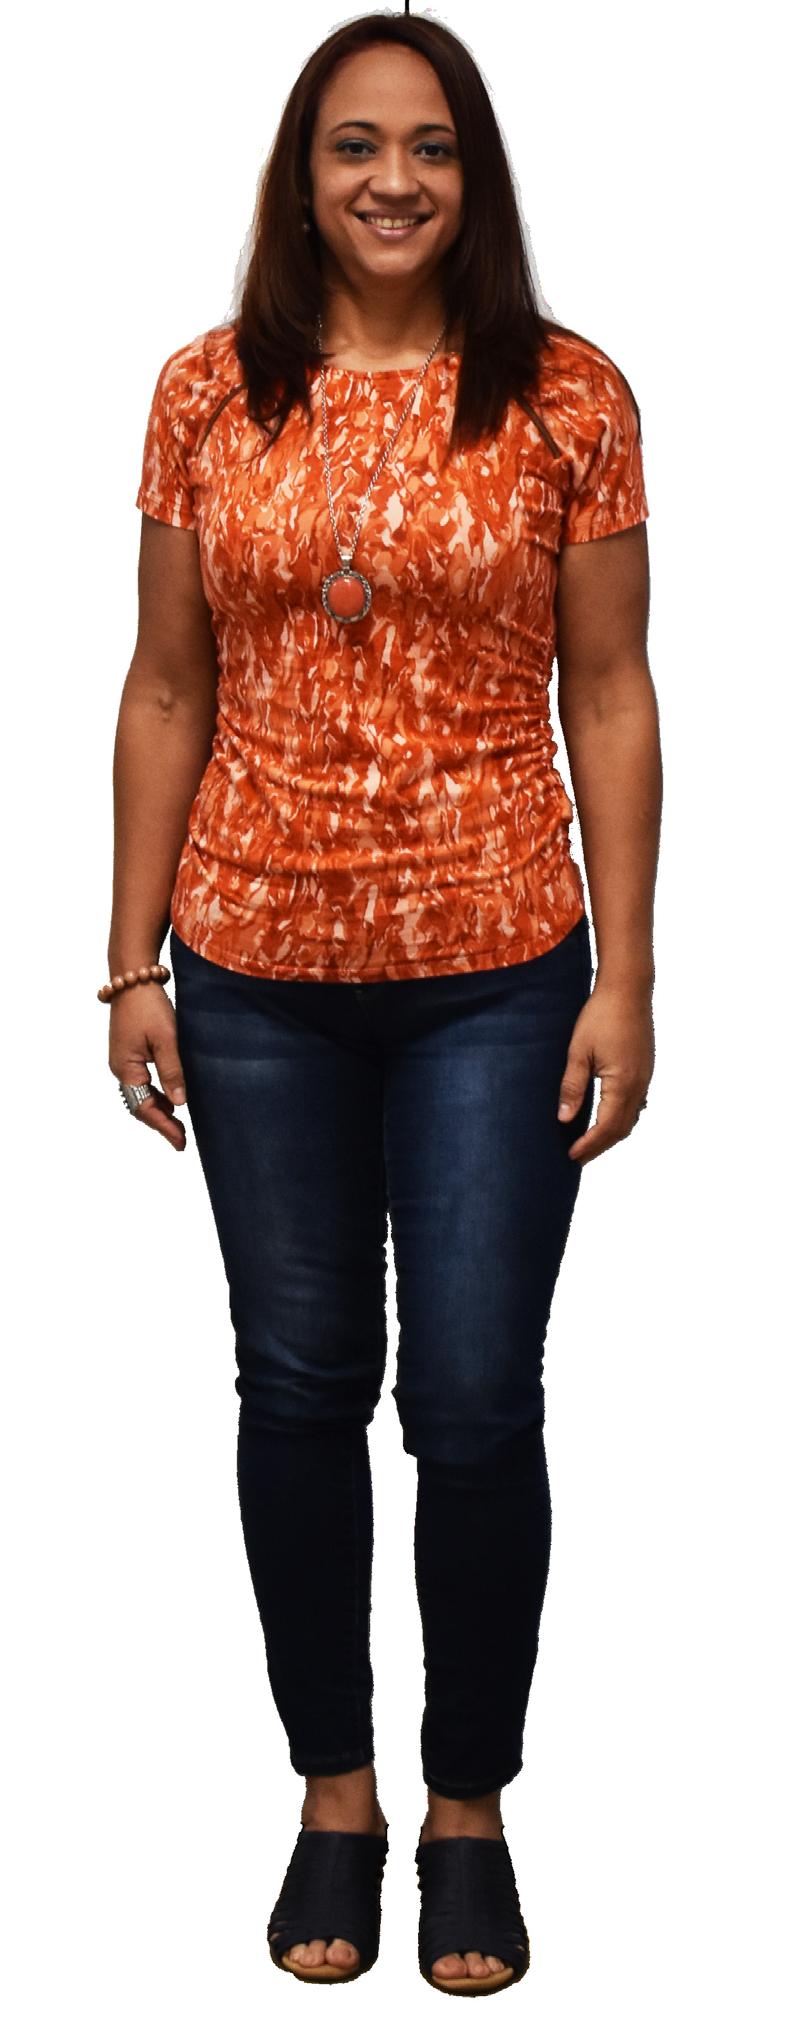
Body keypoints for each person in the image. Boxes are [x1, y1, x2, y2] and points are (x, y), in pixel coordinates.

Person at [103, 11, 660, 2000]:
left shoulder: (568, 396)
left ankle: (467, 1807)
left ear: (473, 173)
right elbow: (167, 684)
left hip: (499, 974)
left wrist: (625, 976)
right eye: (355, 145)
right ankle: (332, 1791)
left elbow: (611, 689)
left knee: (478, 1400)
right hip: (255, 978)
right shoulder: (206, 392)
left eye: (430, 146)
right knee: (297, 1388)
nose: (393, 180)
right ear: (303, 173)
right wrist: (130, 957)